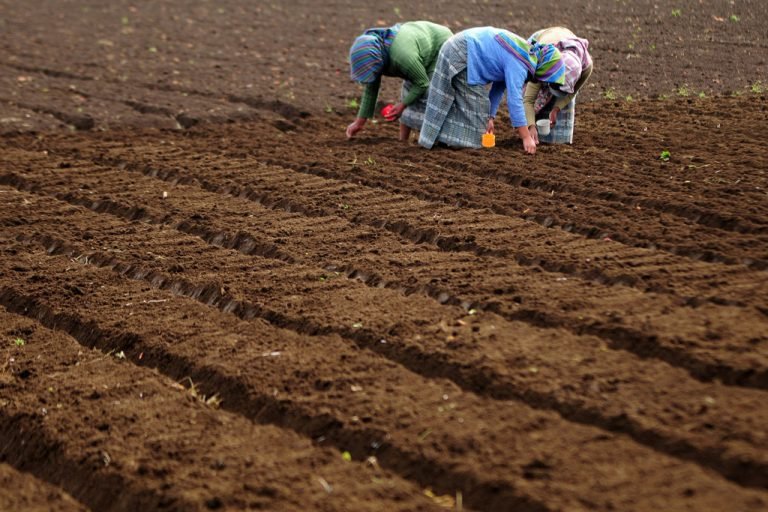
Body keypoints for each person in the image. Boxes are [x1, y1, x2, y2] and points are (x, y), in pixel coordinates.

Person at [418, 27, 565, 154]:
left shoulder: (525, 54)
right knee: (478, 108)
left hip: (460, 47)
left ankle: (444, 140)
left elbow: (498, 87)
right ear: (543, 69)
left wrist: (491, 117)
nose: (542, 83)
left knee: (476, 108)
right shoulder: (520, 63)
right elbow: (515, 101)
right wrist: (526, 137)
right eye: (545, 79)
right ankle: (455, 144)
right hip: (461, 51)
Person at [346, 21, 453, 141]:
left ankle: (435, 139)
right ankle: (403, 141)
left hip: (439, 44)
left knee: (431, 94)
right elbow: (371, 90)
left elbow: (422, 83)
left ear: (378, 59)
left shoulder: (402, 57)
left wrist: (402, 105)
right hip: (415, 45)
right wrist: (359, 122)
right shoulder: (376, 57)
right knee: (408, 91)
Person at [524, 27, 593, 144]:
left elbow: (572, 92)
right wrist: (530, 126)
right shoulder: (542, 59)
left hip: (565, 37)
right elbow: (528, 99)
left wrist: (556, 109)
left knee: (561, 107)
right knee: (533, 100)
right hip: (541, 41)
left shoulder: (586, 67)